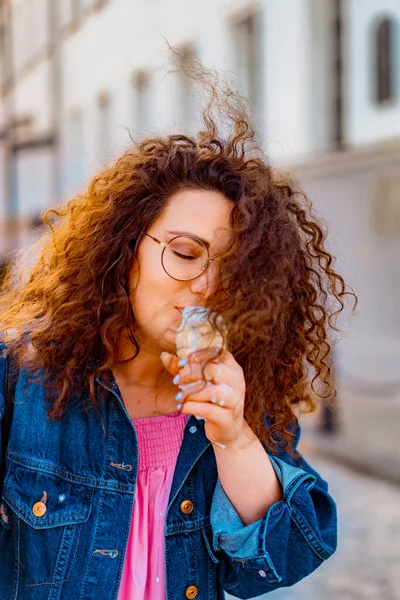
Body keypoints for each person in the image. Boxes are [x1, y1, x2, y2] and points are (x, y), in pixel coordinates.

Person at [0, 72, 355, 600]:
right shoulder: (20, 373)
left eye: (232, 270)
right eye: (185, 253)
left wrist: (233, 439)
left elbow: (286, 558)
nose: (207, 285)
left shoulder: (242, 398)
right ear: (123, 250)